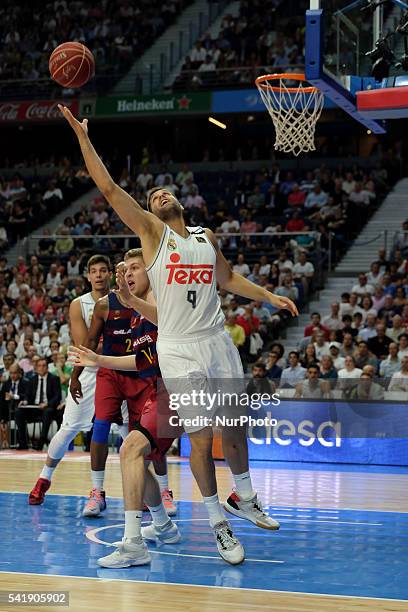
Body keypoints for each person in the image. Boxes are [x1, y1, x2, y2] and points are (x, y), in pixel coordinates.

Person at [60, 104, 298, 566]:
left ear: (181, 200)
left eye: (164, 191)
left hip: (217, 341)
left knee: (235, 427)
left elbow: (229, 281)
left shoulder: (206, 238)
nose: (159, 194)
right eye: (152, 195)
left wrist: (270, 297)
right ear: (149, 213)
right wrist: (84, 139)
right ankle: (218, 524)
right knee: (202, 437)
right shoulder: (152, 234)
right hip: (180, 350)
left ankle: (243, 496)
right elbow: (108, 188)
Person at [79, 251, 176, 518]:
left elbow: (147, 358)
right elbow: (141, 358)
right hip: (119, 371)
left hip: (167, 382)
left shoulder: (152, 303)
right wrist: (90, 363)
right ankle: (100, 494)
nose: (127, 275)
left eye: (133, 269)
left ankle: (165, 496)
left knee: (151, 445)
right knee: (124, 441)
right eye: (125, 270)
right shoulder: (113, 307)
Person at [28, 255, 112, 504]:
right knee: (69, 428)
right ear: (87, 276)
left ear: (110, 274)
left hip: (117, 370)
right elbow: (84, 343)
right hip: (86, 371)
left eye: (103, 270)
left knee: (129, 430)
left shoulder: (122, 300)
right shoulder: (79, 304)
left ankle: (139, 491)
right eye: (93, 271)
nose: (98, 275)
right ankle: (44, 479)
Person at [15, 358, 62, 450]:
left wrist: (47, 403)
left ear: (47, 367)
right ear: (36, 368)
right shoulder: (32, 380)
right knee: (18, 412)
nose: (41, 368)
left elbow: (57, 396)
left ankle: (41, 442)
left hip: (48, 408)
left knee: (47, 412)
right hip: (34, 408)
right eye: (39, 366)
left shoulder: (54, 379)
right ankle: (23, 443)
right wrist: (25, 401)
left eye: (44, 366)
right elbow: (27, 396)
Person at [0, 364, 29, 449]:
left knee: (19, 414)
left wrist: (14, 396)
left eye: (15, 373)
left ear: (20, 373)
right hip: (7, 410)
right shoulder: (6, 384)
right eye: (11, 373)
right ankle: (3, 443)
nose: (13, 375)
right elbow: (2, 398)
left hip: (21, 410)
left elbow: (27, 396)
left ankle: (22, 443)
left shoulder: (25, 382)